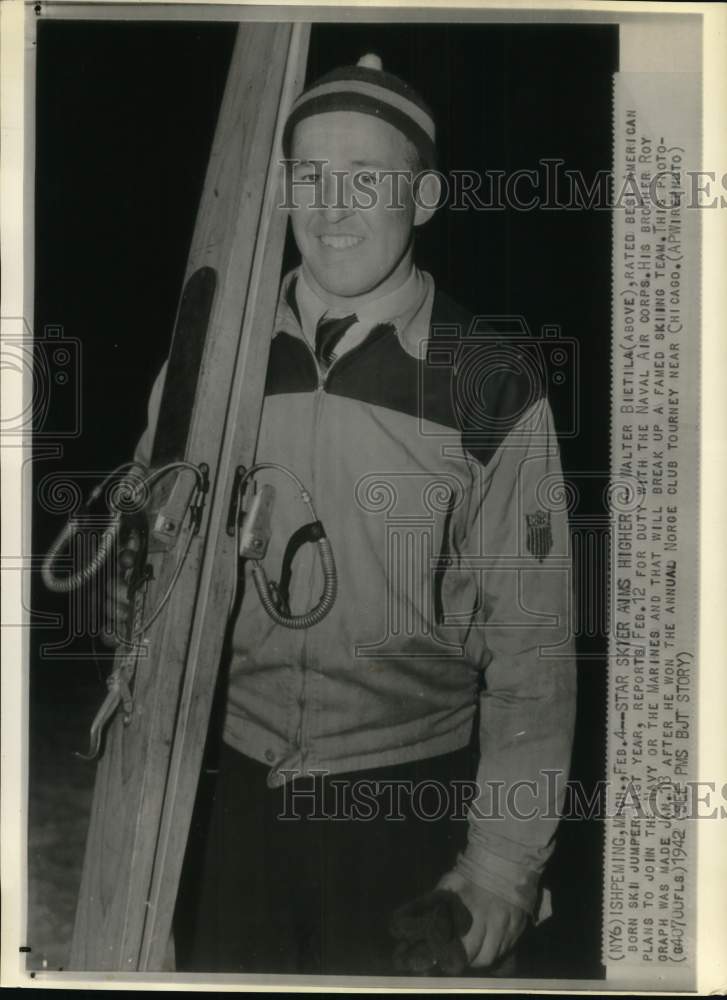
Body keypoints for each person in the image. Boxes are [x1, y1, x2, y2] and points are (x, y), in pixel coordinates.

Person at [109, 55, 576, 976]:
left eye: (367, 179)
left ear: (427, 195)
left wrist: (500, 870)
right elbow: (140, 590)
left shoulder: (489, 381)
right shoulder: (208, 358)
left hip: (406, 807)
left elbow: (535, 656)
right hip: (226, 798)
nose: (331, 210)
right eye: (310, 178)